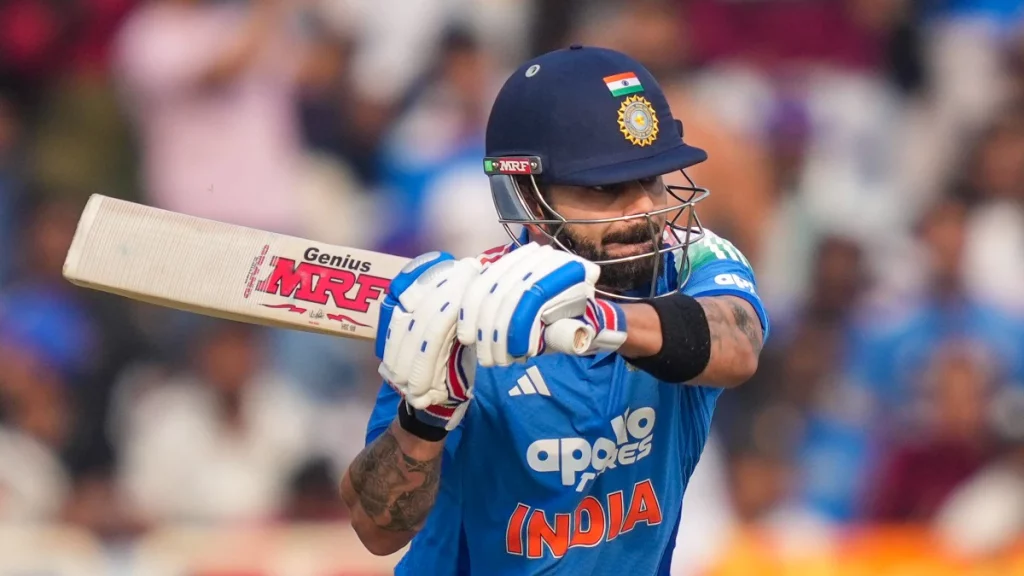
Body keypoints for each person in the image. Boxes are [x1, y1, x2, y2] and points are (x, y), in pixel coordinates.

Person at [340, 46, 770, 575]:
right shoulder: (465, 310)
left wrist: (596, 322)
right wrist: (425, 417)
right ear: (526, 196)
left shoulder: (691, 261)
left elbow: (738, 346)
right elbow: (376, 531)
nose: (643, 208)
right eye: (605, 187)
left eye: (652, 178)